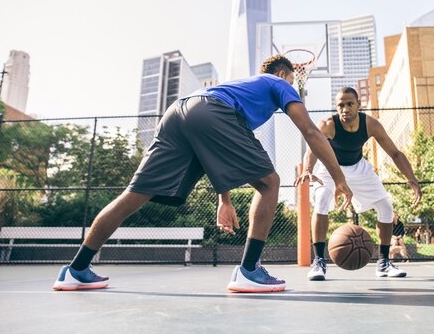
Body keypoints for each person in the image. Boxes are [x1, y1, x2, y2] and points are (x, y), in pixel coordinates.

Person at [52, 55, 353, 293]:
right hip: (213, 112)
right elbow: (312, 132)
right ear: (282, 74)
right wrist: (339, 178)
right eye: (291, 77)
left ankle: (75, 270)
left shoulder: (240, 87)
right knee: (270, 182)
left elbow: (213, 149)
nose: (292, 83)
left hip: (180, 112)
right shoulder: (277, 83)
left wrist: (225, 199)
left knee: (133, 196)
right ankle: (249, 271)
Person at [295, 86, 421, 281]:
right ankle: (318, 261)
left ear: (358, 105)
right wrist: (307, 170)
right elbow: (312, 148)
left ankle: (384, 263)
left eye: (349, 104)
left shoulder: (371, 124)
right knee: (321, 200)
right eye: (340, 105)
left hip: (358, 167)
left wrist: (411, 178)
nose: (345, 109)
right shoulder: (328, 124)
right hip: (329, 167)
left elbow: (395, 153)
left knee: (385, 207)